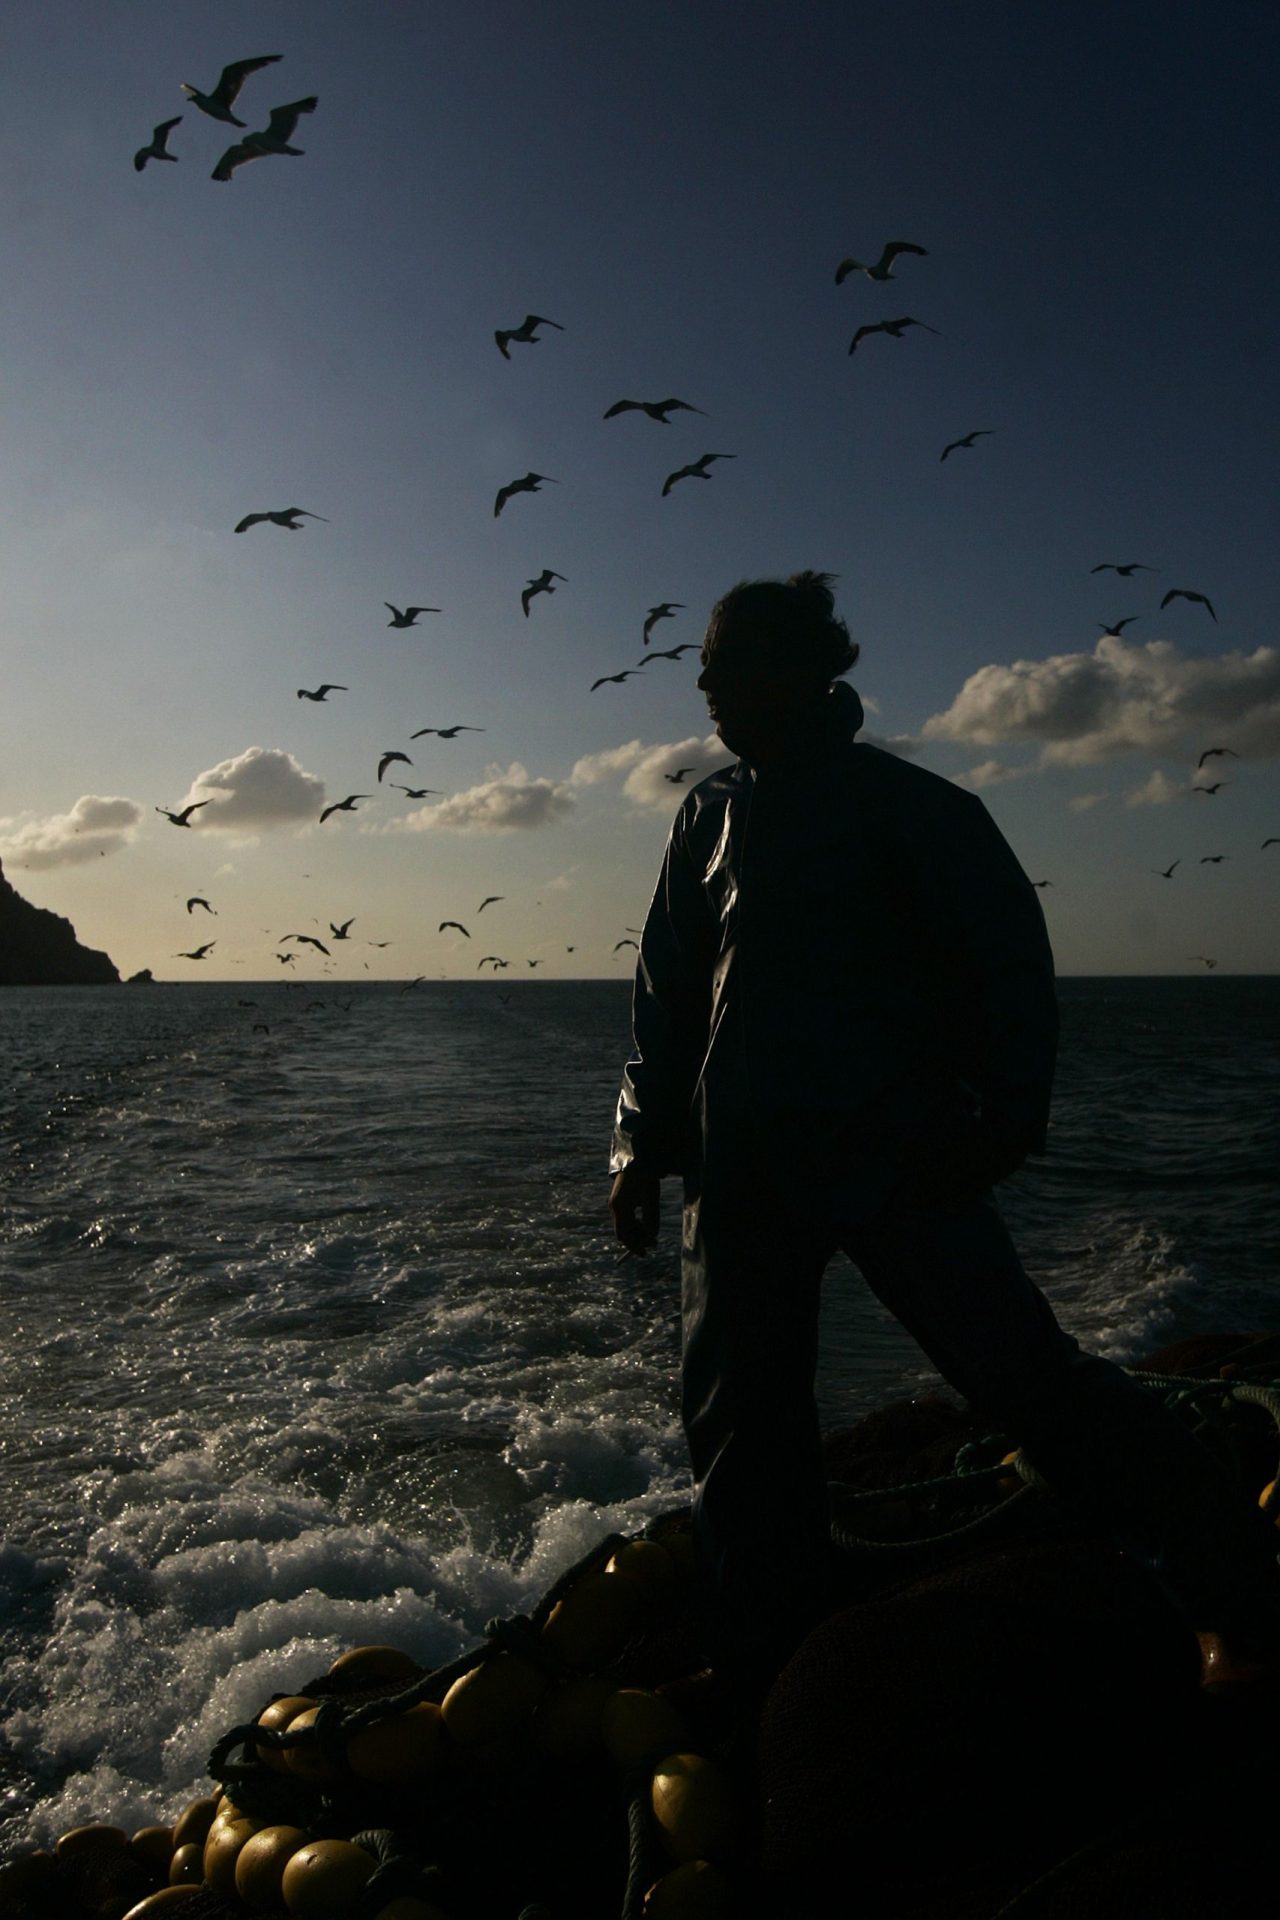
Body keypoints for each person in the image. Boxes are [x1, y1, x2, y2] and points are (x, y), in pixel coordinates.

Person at [609, 569, 1279, 1686]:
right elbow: (664, 996)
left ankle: (1233, 1579)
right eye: (705, 662)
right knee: (740, 1425)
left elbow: (1008, 976)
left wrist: (1004, 1121)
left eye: (727, 659)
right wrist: (638, 1148)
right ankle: (766, 1658)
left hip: (896, 1159)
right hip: (742, 1173)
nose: (705, 681)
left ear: (801, 669)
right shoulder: (706, 816)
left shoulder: (917, 813)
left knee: (1021, 1376)